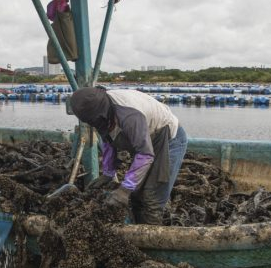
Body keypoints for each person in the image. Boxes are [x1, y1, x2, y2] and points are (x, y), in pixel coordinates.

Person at [70, 86, 188, 225]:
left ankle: (151, 235)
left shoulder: (129, 116)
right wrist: (108, 172)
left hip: (168, 139)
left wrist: (125, 189)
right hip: (146, 139)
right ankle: (138, 230)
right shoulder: (101, 111)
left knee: (152, 197)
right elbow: (108, 139)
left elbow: (145, 153)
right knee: (136, 194)